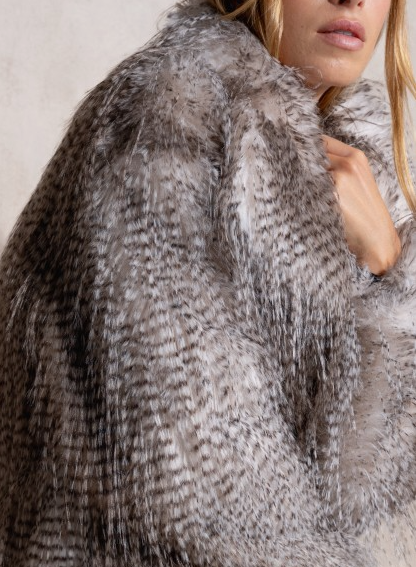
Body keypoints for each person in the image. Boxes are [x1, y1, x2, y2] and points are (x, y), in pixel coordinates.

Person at [0, 0, 415, 565]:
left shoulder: (357, 165)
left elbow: (362, 492)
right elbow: (203, 492)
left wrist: (391, 273)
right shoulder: (169, 118)